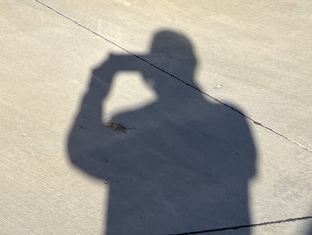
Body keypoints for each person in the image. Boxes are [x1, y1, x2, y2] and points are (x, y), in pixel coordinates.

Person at [68, 30, 257, 234]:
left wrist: (99, 82)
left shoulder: (131, 120)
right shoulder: (231, 117)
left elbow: (83, 153)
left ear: (146, 72)